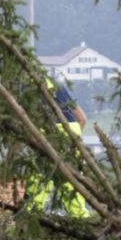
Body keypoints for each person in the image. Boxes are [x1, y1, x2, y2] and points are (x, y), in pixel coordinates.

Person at [25, 77, 90, 218]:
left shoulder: (25, 89)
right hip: (72, 134)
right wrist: (75, 140)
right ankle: (85, 223)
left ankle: (28, 221)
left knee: (38, 184)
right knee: (73, 187)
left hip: (47, 135)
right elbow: (82, 119)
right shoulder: (57, 85)